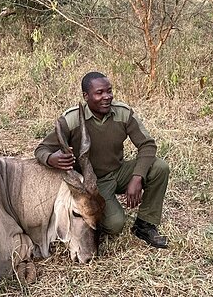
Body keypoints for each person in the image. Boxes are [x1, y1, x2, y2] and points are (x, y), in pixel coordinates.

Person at [35, 71, 170, 249]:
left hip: (118, 171)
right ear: (86, 96)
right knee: (115, 225)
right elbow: (41, 149)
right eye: (99, 93)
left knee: (159, 167)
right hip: (94, 184)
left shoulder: (122, 113)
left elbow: (148, 145)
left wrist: (137, 177)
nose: (106, 97)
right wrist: (51, 158)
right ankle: (102, 211)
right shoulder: (71, 119)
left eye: (109, 91)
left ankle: (144, 225)